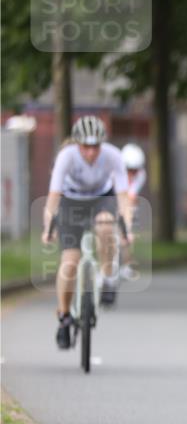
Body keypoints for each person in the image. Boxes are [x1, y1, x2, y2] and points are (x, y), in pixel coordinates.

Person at [42, 116, 133, 349]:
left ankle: (108, 277)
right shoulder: (67, 156)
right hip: (71, 202)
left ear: (102, 144)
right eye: (86, 147)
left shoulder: (113, 156)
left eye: (95, 146)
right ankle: (63, 317)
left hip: (101, 199)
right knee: (70, 261)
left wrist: (127, 227)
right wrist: (48, 227)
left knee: (105, 225)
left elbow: (123, 196)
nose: (91, 152)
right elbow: (54, 196)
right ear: (77, 143)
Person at [119, 143, 147, 280]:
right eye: (129, 170)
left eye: (135, 170)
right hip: (113, 200)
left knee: (128, 234)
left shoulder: (141, 175)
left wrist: (127, 225)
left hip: (129, 203)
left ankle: (126, 264)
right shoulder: (116, 172)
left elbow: (131, 197)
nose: (132, 173)